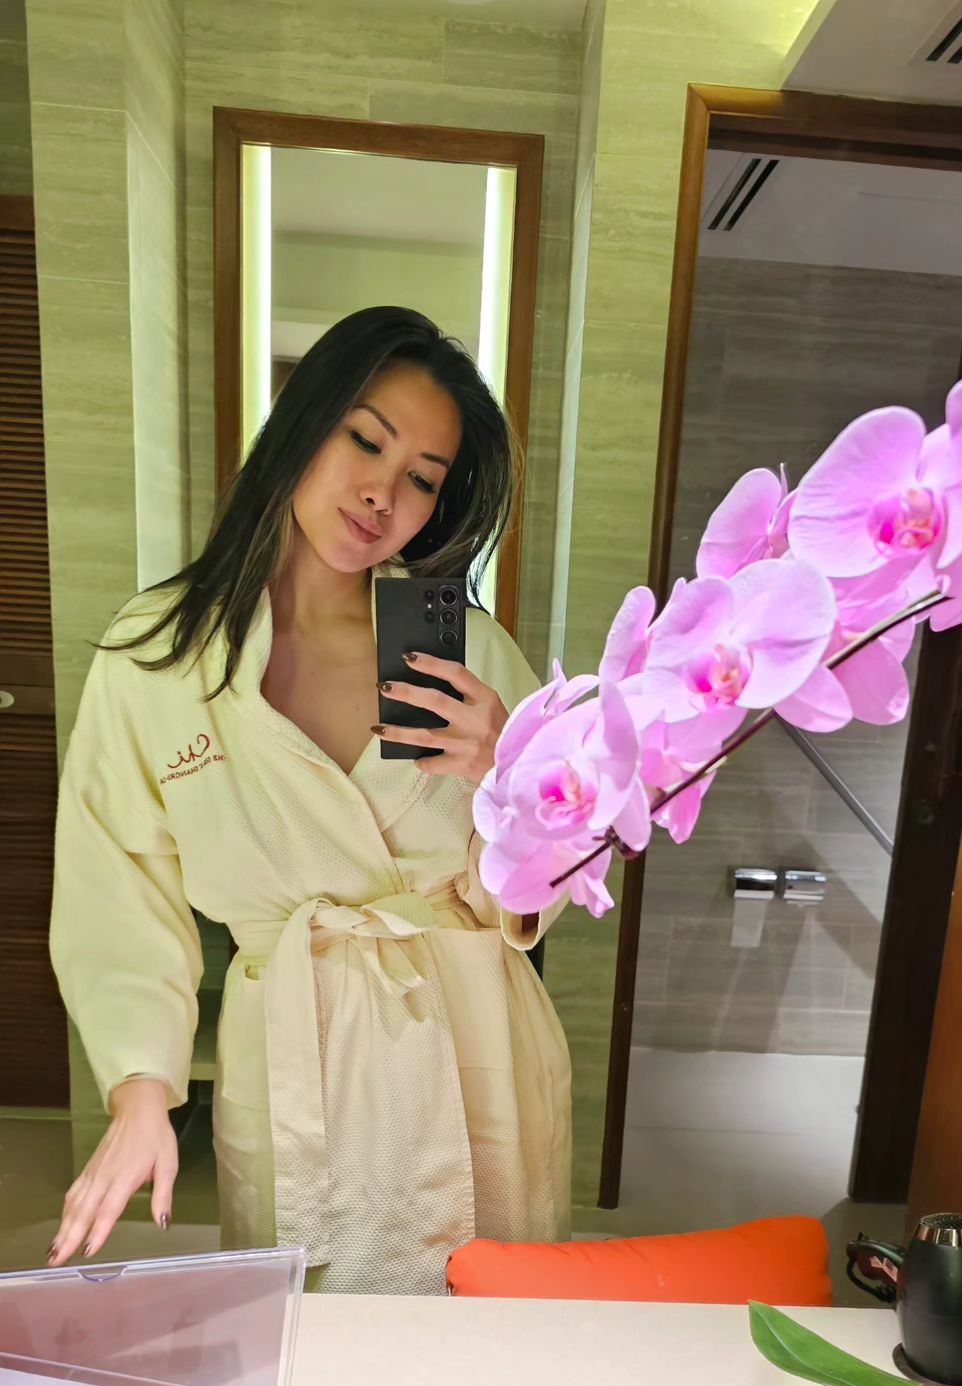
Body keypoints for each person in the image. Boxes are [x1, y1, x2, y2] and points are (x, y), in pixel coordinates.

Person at [47, 308, 571, 1293]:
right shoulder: (159, 657)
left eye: (423, 478)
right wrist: (141, 1088)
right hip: (299, 1045)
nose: (383, 493)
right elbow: (116, 888)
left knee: (483, 1326)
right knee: (308, 1324)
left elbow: (551, 879)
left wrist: (513, 775)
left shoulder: (467, 651)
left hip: (474, 1047)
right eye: (365, 440)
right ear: (303, 422)